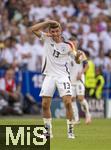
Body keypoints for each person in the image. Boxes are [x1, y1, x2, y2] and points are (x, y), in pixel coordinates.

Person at [30, 20, 77, 139]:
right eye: (52, 31)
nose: (55, 33)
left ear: (60, 31)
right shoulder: (46, 38)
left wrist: (79, 58)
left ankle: (70, 131)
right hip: (49, 76)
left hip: (63, 76)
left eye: (57, 31)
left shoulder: (68, 44)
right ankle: (48, 132)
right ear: (49, 32)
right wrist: (48, 22)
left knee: (67, 102)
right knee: (45, 105)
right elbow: (33, 29)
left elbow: (75, 58)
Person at [69, 38, 91, 124]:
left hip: (79, 80)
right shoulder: (67, 54)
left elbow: (87, 66)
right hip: (71, 80)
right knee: (72, 99)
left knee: (81, 98)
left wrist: (81, 73)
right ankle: (76, 119)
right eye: (73, 43)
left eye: (76, 44)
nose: (74, 45)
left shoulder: (81, 53)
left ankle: (88, 115)